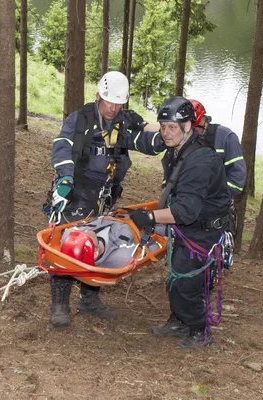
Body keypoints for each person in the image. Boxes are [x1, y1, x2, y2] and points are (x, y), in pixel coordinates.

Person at [49, 71, 161, 328]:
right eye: (109, 101)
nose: (113, 108)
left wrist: (169, 134)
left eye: (118, 103)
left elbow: (147, 143)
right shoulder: (81, 120)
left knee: (100, 244)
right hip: (78, 190)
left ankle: (89, 300)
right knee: (67, 246)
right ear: (98, 96)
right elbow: (62, 145)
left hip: (106, 195)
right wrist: (65, 178)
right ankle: (59, 306)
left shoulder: (125, 124)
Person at [128, 96, 233, 350]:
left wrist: (151, 218)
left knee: (187, 284)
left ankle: (199, 330)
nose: (166, 133)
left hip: (205, 231)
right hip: (189, 228)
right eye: (163, 126)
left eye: (172, 127)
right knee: (175, 277)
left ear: (188, 126)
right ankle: (178, 321)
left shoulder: (200, 161)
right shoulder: (180, 150)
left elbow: (186, 210)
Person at [189, 99, 246, 198]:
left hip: (215, 205)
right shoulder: (180, 137)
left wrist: (215, 197)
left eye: (193, 128)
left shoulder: (226, 137)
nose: (189, 133)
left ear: (203, 120)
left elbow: (237, 179)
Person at [60, 218, 162, 270]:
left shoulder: (69, 236)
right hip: (146, 226)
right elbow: (155, 248)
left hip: (119, 218)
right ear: (95, 253)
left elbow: (68, 232)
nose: (85, 232)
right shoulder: (122, 257)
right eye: (85, 238)